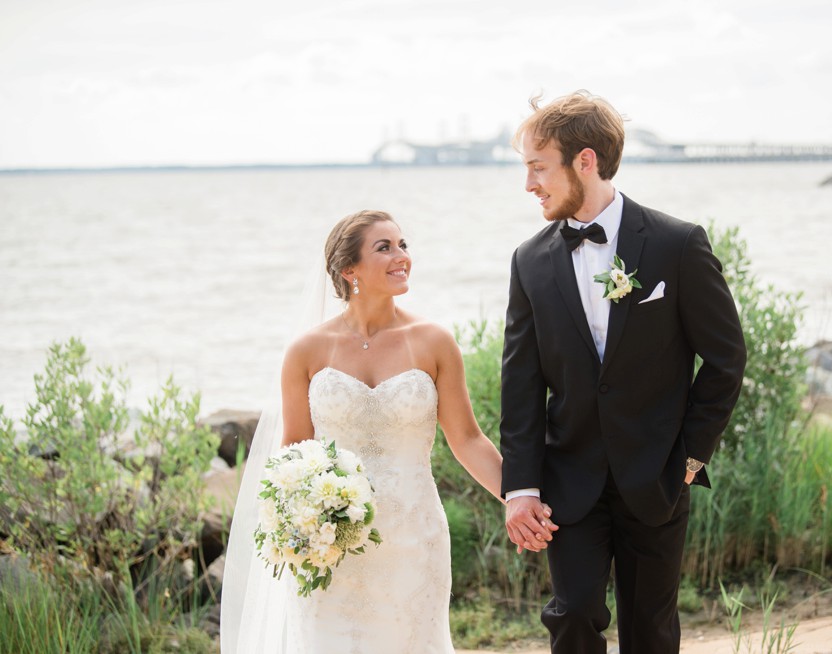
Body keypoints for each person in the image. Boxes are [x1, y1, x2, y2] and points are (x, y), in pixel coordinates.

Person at [220, 210, 556, 653]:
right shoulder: (306, 351)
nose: (402, 256)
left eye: (403, 245)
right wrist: (296, 528)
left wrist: (519, 499)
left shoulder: (433, 341)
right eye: (385, 247)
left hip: (414, 539)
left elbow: (468, 440)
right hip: (331, 545)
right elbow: (295, 453)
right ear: (348, 270)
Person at [500, 91, 747, 654]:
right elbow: (519, 383)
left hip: (658, 477)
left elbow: (727, 356)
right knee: (574, 616)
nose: (529, 184)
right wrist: (521, 486)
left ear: (584, 161)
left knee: (651, 632)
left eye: (538, 168)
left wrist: (690, 453)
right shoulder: (529, 261)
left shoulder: (676, 244)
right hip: (569, 483)